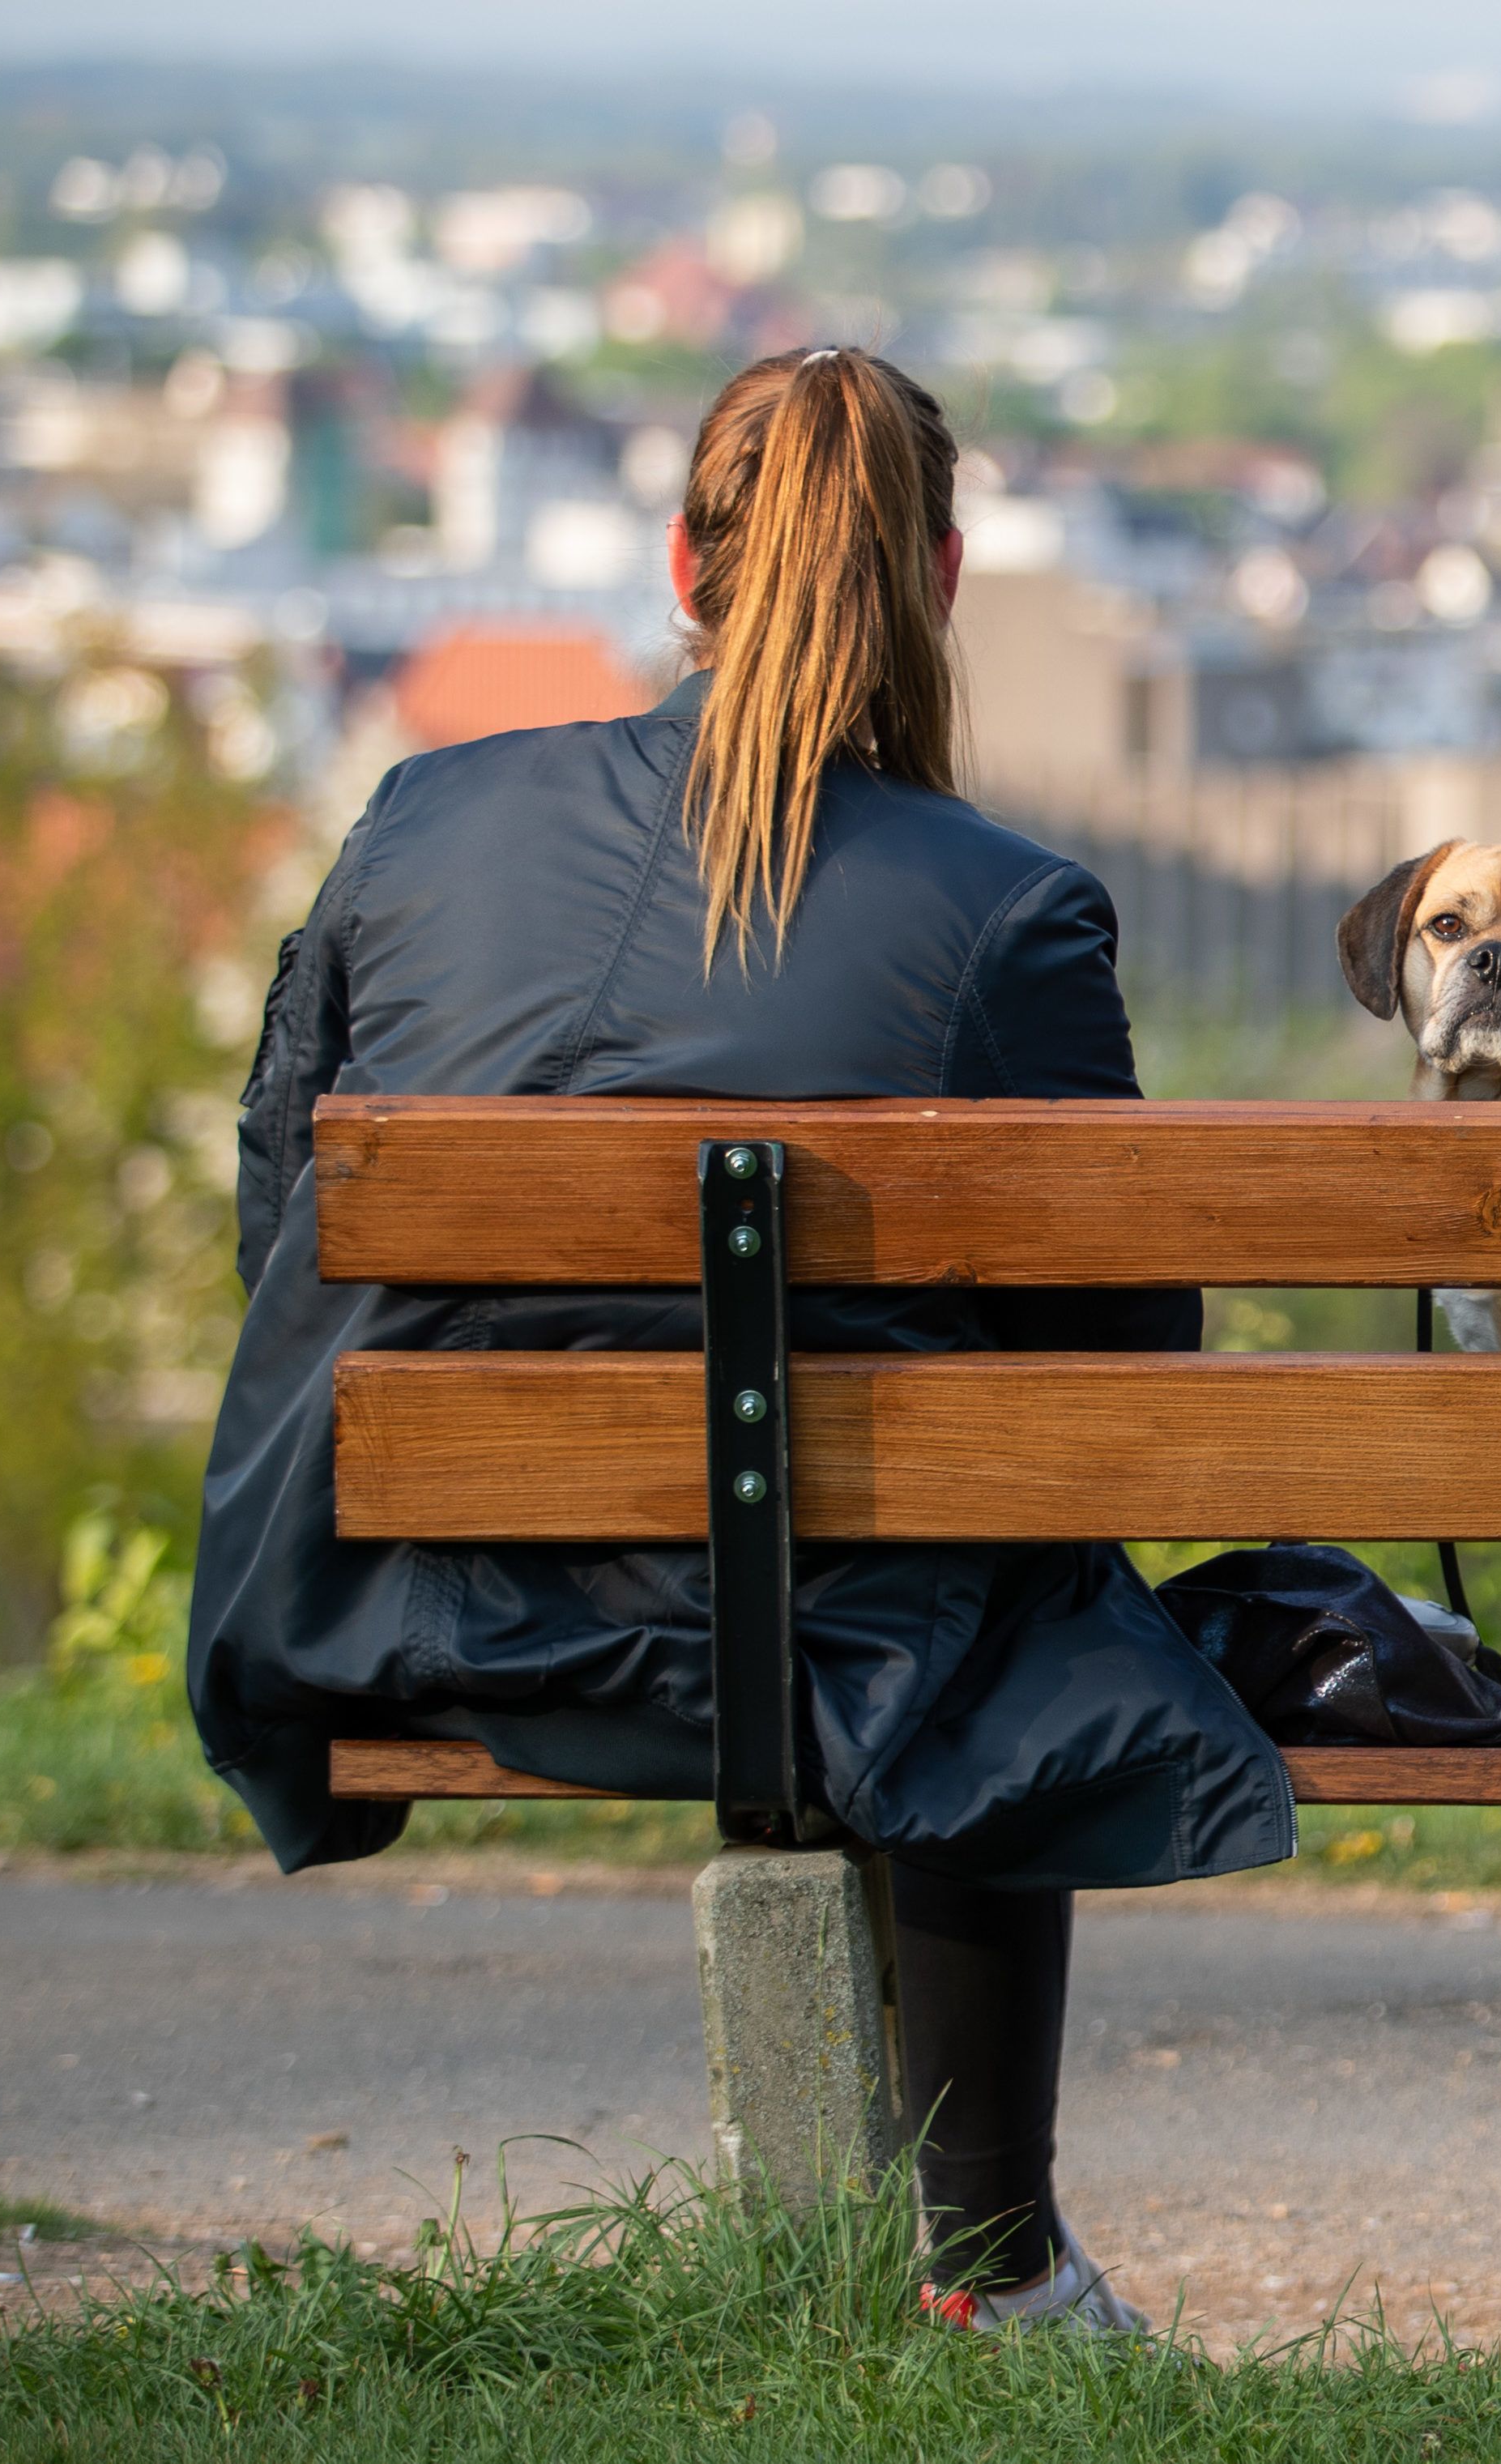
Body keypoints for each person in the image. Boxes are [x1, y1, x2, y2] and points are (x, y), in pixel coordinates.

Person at [186, 347, 1299, 2330]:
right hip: (833, 1662)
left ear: (683, 566)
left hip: (401, 1608)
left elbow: (286, 1205)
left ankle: (971, 2266)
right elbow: (1124, 1346)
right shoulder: (1007, 906)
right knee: (996, 1546)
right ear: (938, 578)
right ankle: (994, 2260)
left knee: (950, 1538)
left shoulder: (422, 817)